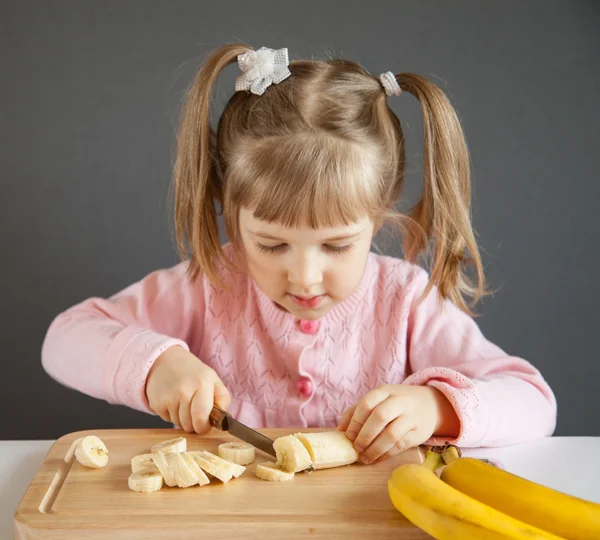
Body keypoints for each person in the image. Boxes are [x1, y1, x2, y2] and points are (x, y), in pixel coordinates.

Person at [42, 44, 556, 465]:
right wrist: (156, 367)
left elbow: (533, 401)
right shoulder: (210, 285)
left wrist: (437, 407)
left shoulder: (405, 299)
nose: (306, 277)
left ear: (379, 214)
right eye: (271, 244)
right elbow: (65, 338)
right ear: (229, 209)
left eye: (336, 245)